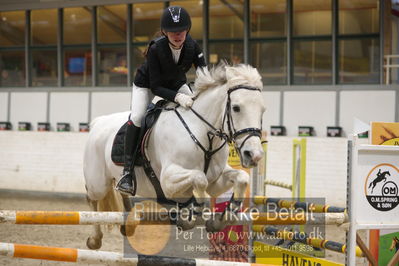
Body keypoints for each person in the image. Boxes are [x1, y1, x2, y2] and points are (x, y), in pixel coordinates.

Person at [116, 6, 207, 195]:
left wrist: (203, 91)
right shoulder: (156, 49)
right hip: (147, 85)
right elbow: (156, 87)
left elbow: (204, 74)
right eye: (173, 32)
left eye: (181, 30)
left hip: (175, 84)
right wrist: (179, 97)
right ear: (165, 32)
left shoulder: (192, 45)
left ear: (187, 30)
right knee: (139, 116)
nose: (177, 35)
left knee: (195, 109)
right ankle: (127, 173)